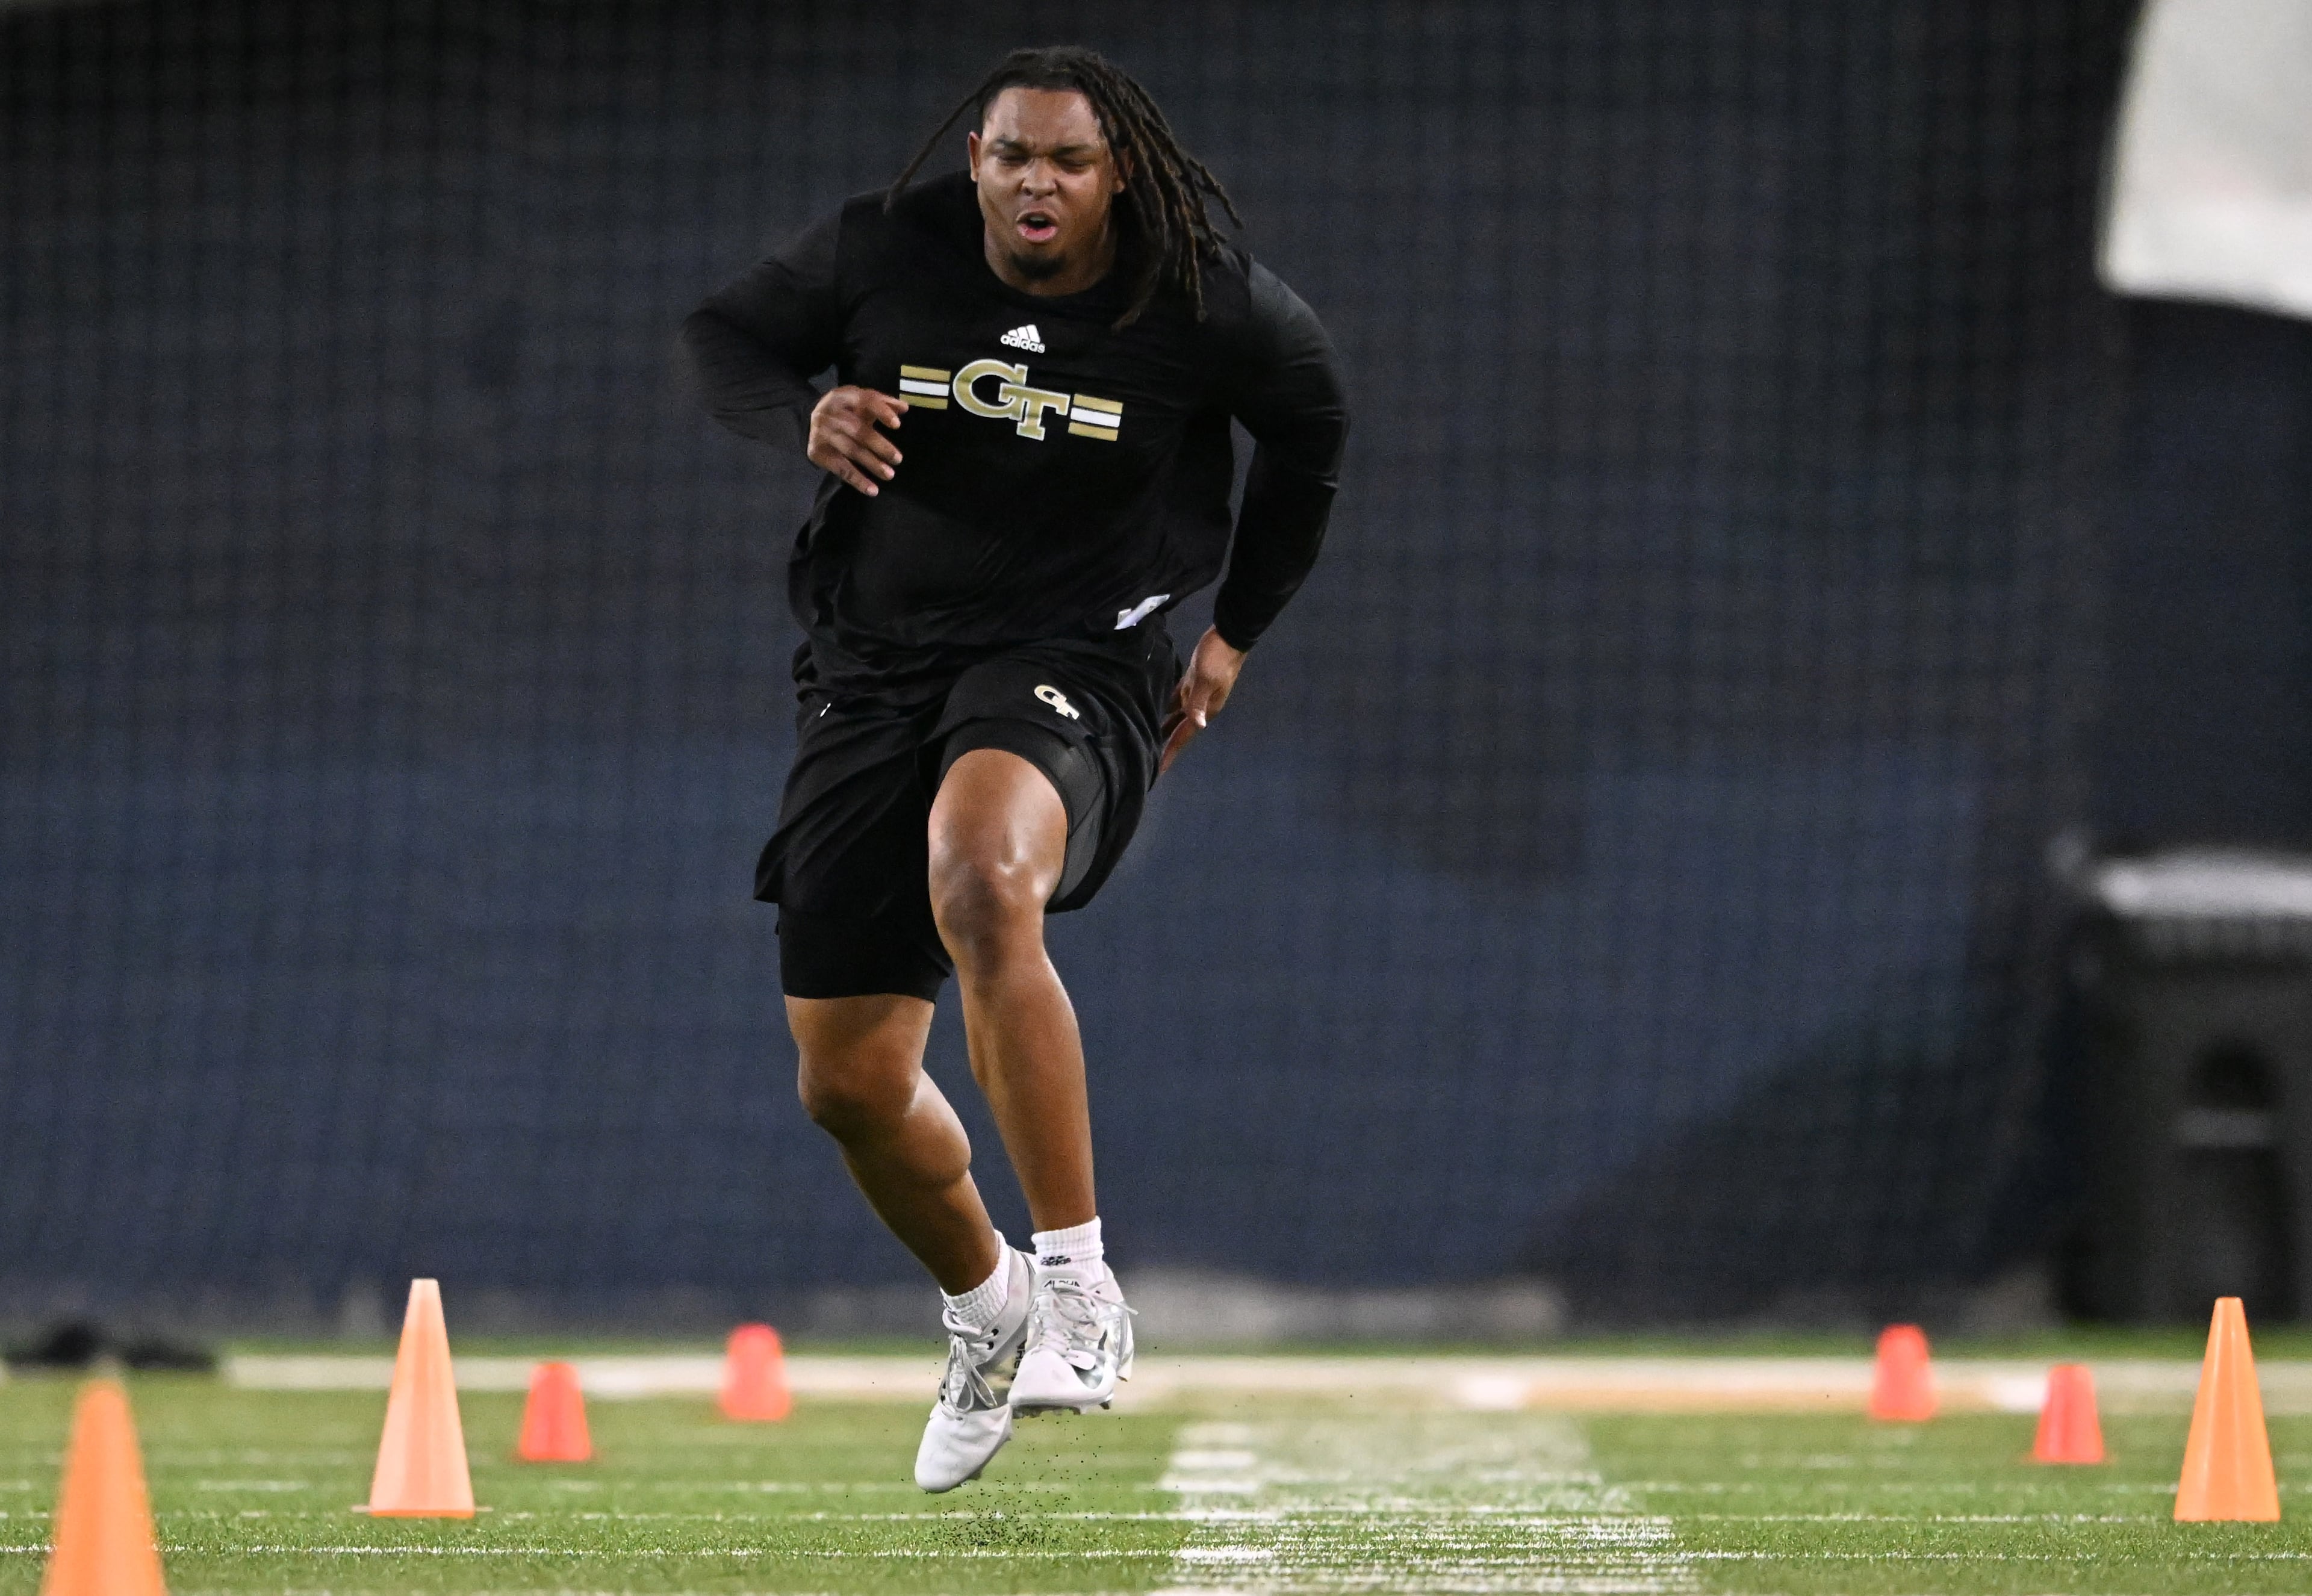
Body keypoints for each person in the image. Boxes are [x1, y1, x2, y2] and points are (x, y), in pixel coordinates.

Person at [680, 43, 1348, 1491]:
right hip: (875, 671)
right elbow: (725, 334)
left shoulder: (1202, 302)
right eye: (1010, 156)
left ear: (1119, 177)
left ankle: (1083, 1286)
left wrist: (1233, 631)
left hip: (1081, 664)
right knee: (848, 1082)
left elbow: (1313, 429)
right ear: (971, 161)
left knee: (984, 875)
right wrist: (799, 411)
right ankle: (989, 1311)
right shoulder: (883, 248)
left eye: (1068, 161)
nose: (1035, 183)